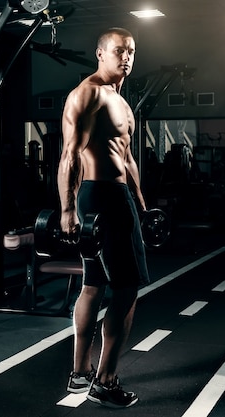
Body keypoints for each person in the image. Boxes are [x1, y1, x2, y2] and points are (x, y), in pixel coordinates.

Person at [57, 27, 149, 409]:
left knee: (94, 283)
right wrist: (65, 208)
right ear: (99, 53)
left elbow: (127, 159)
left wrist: (142, 203)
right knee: (126, 289)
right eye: (117, 51)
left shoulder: (121, 101)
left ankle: (80, 373)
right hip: (102, 196)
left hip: (119, 196)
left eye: (130, 51)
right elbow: (69, 155)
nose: (125, 57)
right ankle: (105, 380)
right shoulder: (88, 93)